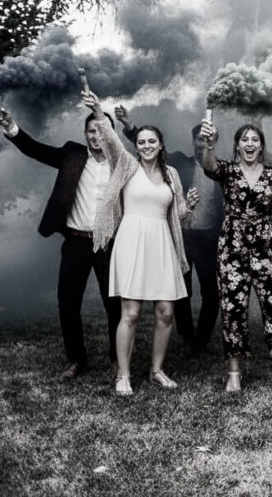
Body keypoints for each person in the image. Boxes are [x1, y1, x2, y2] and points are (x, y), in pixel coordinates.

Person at [0, 103, 121, 380]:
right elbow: (35, 150)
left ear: (112, 133)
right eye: (91, 131)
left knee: (115, 303)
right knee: (67, 303)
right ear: (85, 134)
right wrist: (11, 127)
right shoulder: (72, 154)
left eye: (102, 130)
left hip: (108, 244)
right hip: (76, 242)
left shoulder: (122, 163)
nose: (96, 136)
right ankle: (77, 360)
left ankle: (116, 358)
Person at [85, 92, 197, 395]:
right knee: (131, 313)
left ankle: (157, 370)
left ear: (161, 145)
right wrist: (98, 110)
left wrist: (190, 207)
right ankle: (123, 375)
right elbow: (109, 138)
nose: (146, 146)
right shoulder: (127, 165)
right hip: (133, 240)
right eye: (142, 142)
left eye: (152, 141)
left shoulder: (171, 174)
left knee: (165, 312)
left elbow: (179, 213)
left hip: (162, 243)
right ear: (136, 146)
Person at [199, 119, 272, 392]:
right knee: (233, 310)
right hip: (232, 248)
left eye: (254, 140)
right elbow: (209, 166)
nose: (250, 144)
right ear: (237, 145)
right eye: (244, 139)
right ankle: (234, 372)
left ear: (261, 146)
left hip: (266, 247)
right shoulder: (228, 170)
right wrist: (209, 144)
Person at [115, 106, 224, 356]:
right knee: (181, 291)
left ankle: (202, 340)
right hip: (180, 237)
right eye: (199, 139)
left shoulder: (220, 170)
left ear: (214, 141)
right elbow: (148, 147)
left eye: (208, 139)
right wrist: (129, 125)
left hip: (208, 239)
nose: (202, 144)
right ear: (193, 140)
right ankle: (187, 337)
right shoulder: (178, 162)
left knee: (211, 293)